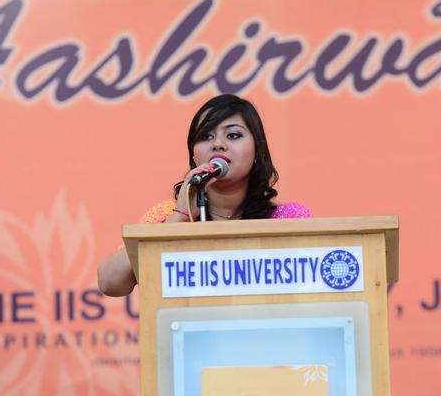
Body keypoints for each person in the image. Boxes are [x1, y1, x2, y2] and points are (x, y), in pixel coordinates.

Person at [97, 94, 311, 296]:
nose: (218, 144)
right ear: (193, 154)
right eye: (206, 136)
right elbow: (110, 283)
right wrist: (180, 216)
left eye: (233, 135)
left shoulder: (286, 220)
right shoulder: (167, 216)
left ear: (257, 151)